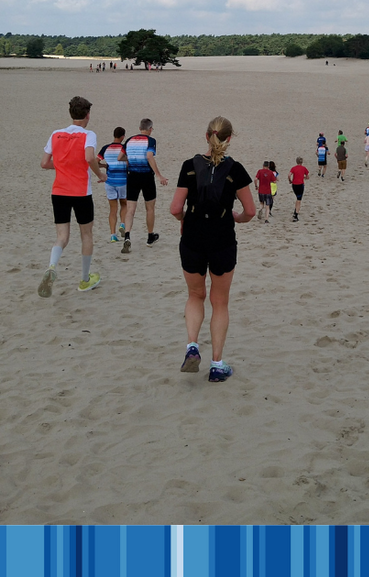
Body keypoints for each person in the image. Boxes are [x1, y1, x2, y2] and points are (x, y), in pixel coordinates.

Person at [169, 116, 255, 382]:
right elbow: (250, 211)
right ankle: (217, 364)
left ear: (207, 136)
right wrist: (236, 217)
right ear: (229, 139)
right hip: (222, 239)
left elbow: (174, 208)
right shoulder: (235, 169)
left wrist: (184, 219)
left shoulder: (188, 166)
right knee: (220, 302)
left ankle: (192, 346)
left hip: (193, 237)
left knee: (195, 295)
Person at [38, 95, 107, 296]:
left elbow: (44, 163)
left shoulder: (56, 134)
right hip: (80, 192)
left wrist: (63, 165)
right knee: (86, 234)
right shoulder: (88, 134)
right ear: (87, 115)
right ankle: (84, 279)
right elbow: (88, 157)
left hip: (59, 191)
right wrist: (100, 174)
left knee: (62, 236)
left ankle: (51, 267)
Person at [122, 118, 168, 248]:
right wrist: (159, 175)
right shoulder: (150, 140)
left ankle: (127, 236)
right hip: (146, 176)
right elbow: (149, 156)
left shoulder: (129, 140)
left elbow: (120, 157)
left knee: (130, 209)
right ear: (150, 129)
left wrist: (131, 159)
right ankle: (150, 236)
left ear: (139, 128)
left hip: (132, 176)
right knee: (150, 208)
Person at [97, 126, 129, 250]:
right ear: (122, 137)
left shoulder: (106, 148)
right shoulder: (124, 148)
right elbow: (128, 163)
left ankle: (112, 235)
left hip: (109, 181)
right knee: (124, 204)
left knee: (112, 209)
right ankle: (122, 223)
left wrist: (104, 166)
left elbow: (95, 161)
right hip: (122, 180)